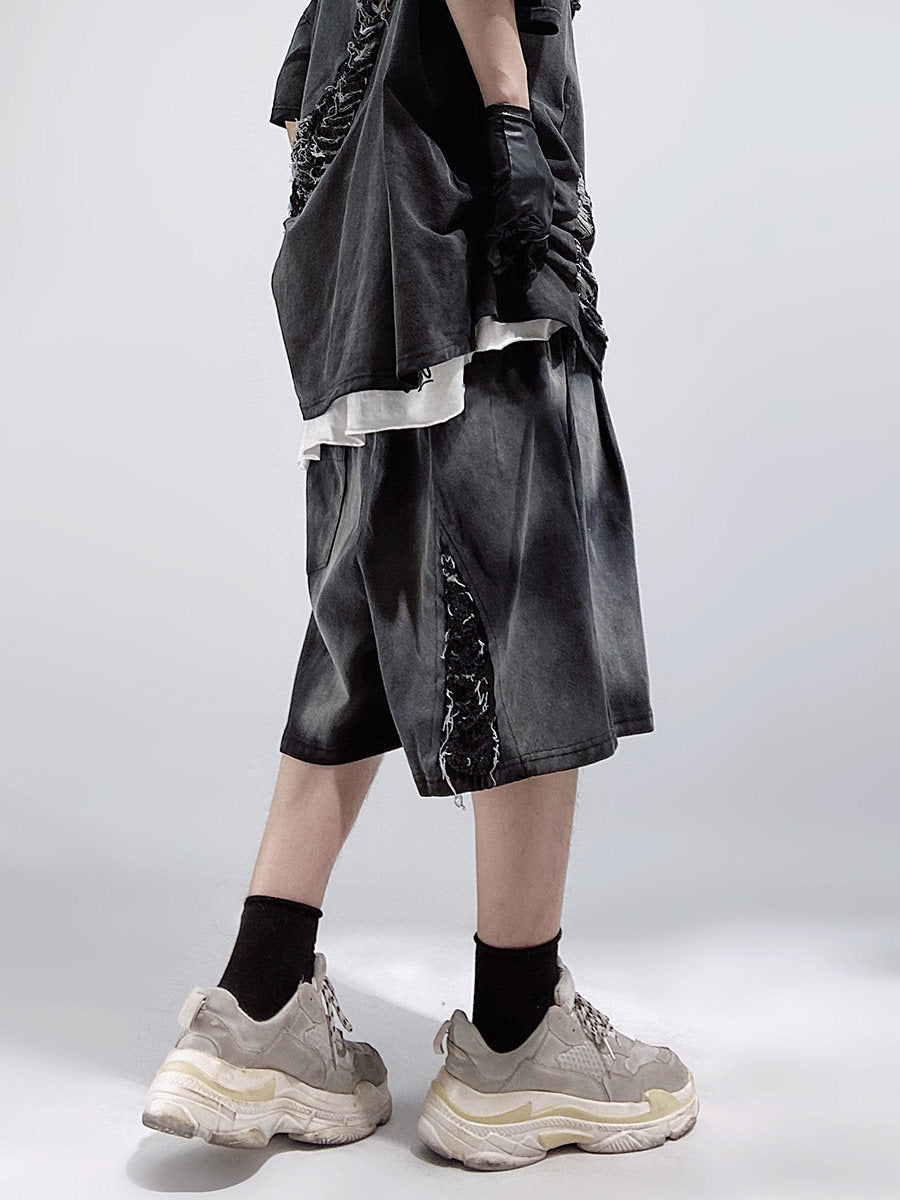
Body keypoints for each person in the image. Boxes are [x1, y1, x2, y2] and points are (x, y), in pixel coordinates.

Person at [141, 0, 698, 1170]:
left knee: (365, 617)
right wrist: (509, 124)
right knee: (527, 604)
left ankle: (257, 1010)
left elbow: (299, 95)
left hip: (366, 245)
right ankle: (518, 1039)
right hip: (466, 216)